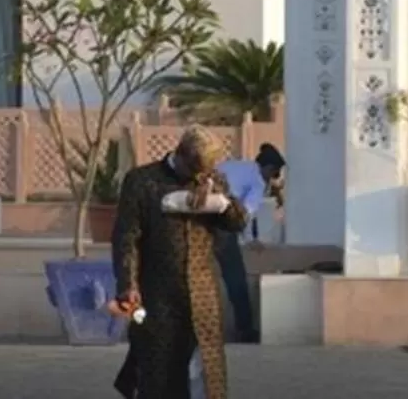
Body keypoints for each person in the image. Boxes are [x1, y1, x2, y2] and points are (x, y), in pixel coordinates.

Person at [108, 128, 250, 399]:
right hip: (157, 294)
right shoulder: (143, 181)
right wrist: (128, 284)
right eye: (193, 170)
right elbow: (126, 237)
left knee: (204, 374)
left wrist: (223, 203)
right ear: (181, 155)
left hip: (203, 295)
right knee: (158, 370)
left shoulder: (213, 180)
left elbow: (238, 223)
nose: (197, 177)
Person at [209, 144, 285, 344]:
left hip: (199, 221)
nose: (269, 180)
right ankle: (245, 330)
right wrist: (249, 239)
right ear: (268, 168)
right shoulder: (257, 181)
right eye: (272, 174)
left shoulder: (233, 165)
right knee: (236, 279)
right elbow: (245, 213)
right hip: (221, 226)